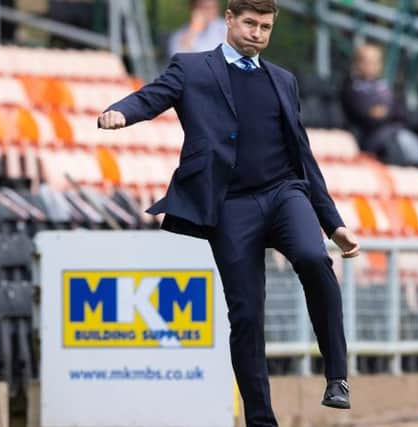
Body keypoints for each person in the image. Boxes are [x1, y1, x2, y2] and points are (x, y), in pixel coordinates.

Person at [98, 1, 360, 426]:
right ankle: (260, 422)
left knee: (314, 258)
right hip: (230, 206)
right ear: (231, 20)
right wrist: (122, 113)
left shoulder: (283, 80)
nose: (258, 33)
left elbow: (304, 157)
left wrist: (334, 223)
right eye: (251, 23)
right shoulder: (192, 68)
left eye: (266, 27)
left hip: (283, 193)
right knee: (247, 314)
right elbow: (152, 96)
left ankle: (337, 377)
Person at [340, 44, 418, 166]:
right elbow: (368, 114)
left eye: (375, 62)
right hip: (371, 140)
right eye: (367, 61)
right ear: (357, 63)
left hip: (394, 132)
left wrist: (386, 111)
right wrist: (386, 111)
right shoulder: (351, 87)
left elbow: (399, 111)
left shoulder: (383, 87)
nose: (371, 66)